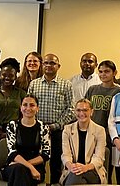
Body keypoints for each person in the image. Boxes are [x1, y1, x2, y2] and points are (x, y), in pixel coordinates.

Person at [27, 53, 74, 184]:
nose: (49, 66)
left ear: (58, 66)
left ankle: (54, 183)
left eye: (52, 63)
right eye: (46, 63)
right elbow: (29, 106)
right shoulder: (34, 84)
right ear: (42, 65)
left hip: (58, 131)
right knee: (37, 161)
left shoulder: (66, 84)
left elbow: (71, 109)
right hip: (37, 130)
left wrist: (55, 126)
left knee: (56, 164)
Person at [83, 60, 120, 181]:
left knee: (106, 171)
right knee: (90, 168)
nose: (103, 74)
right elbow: (84, 110)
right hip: (91, 134)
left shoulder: (119, 91)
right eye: (100, 71)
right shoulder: (92, 89)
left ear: (114, 73)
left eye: (107, 71)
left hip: (109, 136)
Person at [1, 95, 50, 186]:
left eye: (32, 105)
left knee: (20, 172)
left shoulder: (43, 127)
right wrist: (30, 167)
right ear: (20, 108)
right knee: (19, 170)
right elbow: (12, 153)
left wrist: (29, 166)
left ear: (37, 108)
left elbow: (46, 154)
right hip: (13, 167)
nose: (28, 108)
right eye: (25, 105)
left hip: (37, 169)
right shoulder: (12, 125)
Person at [61, 99, 108, 184]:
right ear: (75, 112)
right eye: (78, 110)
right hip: (72, 170)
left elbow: (99, 158)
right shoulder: (67, 129)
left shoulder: (100, 130)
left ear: (91, 112)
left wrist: (85, 167)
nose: (81, 113)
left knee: (75, 177)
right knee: (76, 176)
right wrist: (71, 166)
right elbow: (66, 155)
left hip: (92, 170)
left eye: (85, 110)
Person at [0, 58, 26, 136]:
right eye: (4, 75)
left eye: (11, 75)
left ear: (15, 77)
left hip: (16, 131)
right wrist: (0, 132)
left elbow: (23, 114)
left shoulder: (21, 93)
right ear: (0, 75)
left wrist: (13, 131)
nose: (7, 78)